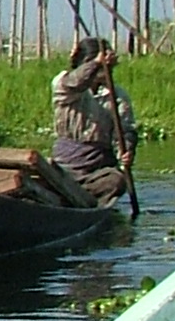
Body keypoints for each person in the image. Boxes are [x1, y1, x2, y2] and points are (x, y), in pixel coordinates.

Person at [50, 34, 137, 206]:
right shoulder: (64, 83)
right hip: (65, 168)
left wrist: (127, 151)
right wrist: (97, 62)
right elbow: (75, 82)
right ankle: (71, 196)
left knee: (116, 181)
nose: (106, 70)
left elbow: (126, 129)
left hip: (97, 171)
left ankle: (86, 201)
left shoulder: (117, 95)